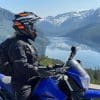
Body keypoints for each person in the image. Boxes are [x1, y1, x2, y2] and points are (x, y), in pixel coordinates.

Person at [7, 11, 47, 100]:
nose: (34, 29)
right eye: (32, 26)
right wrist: (38, 71)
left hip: (32, 79)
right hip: (23, 84)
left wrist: (47, 68)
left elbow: (32, 62)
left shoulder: (25, 43)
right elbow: (21, 66)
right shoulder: (18, 44)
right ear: (25, 26)